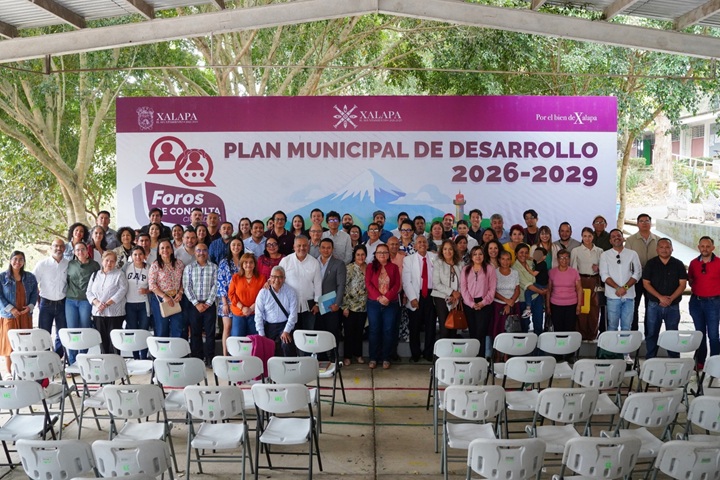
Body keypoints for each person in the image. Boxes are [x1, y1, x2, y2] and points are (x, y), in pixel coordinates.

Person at [642, 238, 687, 360]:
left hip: (673, 305)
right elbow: (646, 283)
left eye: (667, 247)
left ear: (672, 249)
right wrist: (660, 297)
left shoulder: (678, 264)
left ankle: (674, 359)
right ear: (657, 249)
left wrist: (670, 299)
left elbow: (683, 284)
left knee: (672, 334)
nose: (664, 250)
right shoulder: (651, 264)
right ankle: (650, 359)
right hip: (654, 305)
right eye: (661, 247)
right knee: (652, 333)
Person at [0, 251, 37, 376]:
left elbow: (34, 294)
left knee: (25, 344)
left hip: (25, 315)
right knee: (9, 345)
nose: (18, 262)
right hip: (9, 316)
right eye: (15, 259)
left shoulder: (30, 277)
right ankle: (10, 374)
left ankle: (23, 372)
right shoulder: (2, 277)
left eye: (21, 259)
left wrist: (30, 307)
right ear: (10, 260)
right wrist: (10, 309)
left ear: (24, 262)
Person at [599, 229, 642, 338]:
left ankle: (624, 348)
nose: (616, 238)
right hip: (612, 296)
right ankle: (612, 348)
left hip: (629, 296)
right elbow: (604, 275)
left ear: (623, 238)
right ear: (610, 241)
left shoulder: (632, 254)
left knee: (626, 327)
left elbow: (637, 273)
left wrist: (625, 288)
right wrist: (617, 288)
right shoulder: (605, 255)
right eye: (613, 236)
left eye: (618, 235)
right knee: (612, 326)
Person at [365, 243, 401, 369]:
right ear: (375, 254)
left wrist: (387, 297)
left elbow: (397, 285)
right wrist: (379, 297)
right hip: (374, 303)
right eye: (379, 252)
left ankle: (386, 357)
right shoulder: (370, 267)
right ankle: (373, 358)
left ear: (388, 254)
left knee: (388, 330)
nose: (382, 254)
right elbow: (368, 284)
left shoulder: (394, 267)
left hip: (390, 303)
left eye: (385, 252)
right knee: (374, 330)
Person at [86, 251, 128, 354]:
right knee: (102, 342)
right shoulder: (95, 275)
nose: (109, 263)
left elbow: (122, 291)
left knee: (114, 343)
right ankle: (105, 362)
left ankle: (115, 362)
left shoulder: (119, 274)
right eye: (107, 260)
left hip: (115, 314)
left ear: (115, 262)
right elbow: (89, 292)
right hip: (98, 313)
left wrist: (106, 304)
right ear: (102, 261)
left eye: (112, 261)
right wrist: (97, 303)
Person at [687, 236, 720, 370]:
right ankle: (700, 360)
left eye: (708, 246)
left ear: (713, 248)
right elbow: (690, 280)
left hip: (714, 303)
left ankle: (715, 363)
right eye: (702, 246)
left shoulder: (719, 262)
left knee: (713, 334)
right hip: (696, 302)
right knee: (699, 334)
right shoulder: (693, 263)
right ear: (698, 247)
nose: (705, 249)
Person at [403, 235, 437, 362]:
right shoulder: (408, 260)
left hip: (431, 295)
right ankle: (415, 354)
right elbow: (406, 281)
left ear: (427, 245)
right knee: (415, 326)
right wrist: (412, 298)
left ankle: (428, 353)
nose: (422, 244)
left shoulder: (435, 257)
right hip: (416, 295)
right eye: (419, 242)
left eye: (424, 242)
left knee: (431, 326)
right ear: (415, 246)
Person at [182, 243, 217, 365]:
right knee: (195, 333)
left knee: (210, 333)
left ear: (208, 252)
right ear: (194, 253)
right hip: (194, 306)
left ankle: (210, 359)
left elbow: (216, 286)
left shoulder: (214, 267)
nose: (201, 253)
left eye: (204, 250)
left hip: (209, 305)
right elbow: (187, 287)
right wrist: (196, 303)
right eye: (198, 250)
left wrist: (208, 303)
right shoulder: (189, 268)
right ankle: (197, 359)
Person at [65, 243, 100, 364]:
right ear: (74, 252)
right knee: (72, 330)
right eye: (77, 250)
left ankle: (83, 358)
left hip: (86, 300)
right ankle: (72, 360)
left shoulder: (94, 265)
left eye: (82, 249)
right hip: (70, 300)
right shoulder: (70, 264)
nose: (80, 252)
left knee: (85, 328)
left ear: (87, 251)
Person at [33, 238, 69, 356]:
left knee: (62, 334)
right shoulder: (42, 264)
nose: (59, 248)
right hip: (46, 304)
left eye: (61, 246)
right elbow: (33, 283)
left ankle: (58, 358)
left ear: (64, 248)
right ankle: (46, 358)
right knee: (44, 334)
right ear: (51, 248)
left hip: (62, 304)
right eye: (56, 246)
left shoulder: (68, 264)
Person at [624, 213, 659, 332]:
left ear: (651, 223)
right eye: (641, 221)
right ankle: (634, 332)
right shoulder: (630, 240)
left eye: (647, 221)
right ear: (637, 224)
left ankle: (650, 333)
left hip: (653, 279)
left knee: (651, 307)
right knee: (634, 306)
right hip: (635, 279)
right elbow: (626, 260)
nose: (644, 223)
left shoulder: (658, 240)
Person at [279, 235, 321, 331]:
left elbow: (318, 284)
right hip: (289, 304)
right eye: (299, 245)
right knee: (291, 333)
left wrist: (317, 304)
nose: (302, 248)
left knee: (308, 332)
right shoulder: (285, 261)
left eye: (304, 245)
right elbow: (277, 279)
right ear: (294, 247)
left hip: (309, 305)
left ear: (308, 246)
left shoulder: (314, 262)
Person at [460, 246, 496, 360]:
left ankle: (481, 358)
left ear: (484, 256)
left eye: (480, 254)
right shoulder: (465, 269)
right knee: (473, 331)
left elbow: (492, 289)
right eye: (475, 254)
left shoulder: (490, 269)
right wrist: (471, 303)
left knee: (481, 331)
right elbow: (463, 288)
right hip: (469, 304)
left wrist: (483, 303)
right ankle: (473, 357)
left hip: (485, 304)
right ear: (471, 256)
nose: (478, 256)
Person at [254, 266, 298, 356]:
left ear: (284, 278)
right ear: (270, 277)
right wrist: (262, 334)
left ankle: (290, 365)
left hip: (284, 325)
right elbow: (258, 315)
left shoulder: (290, 292)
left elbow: (293, 315)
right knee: (266, 350)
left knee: (286, 344)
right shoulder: (263, 293)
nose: (277, 280)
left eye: (280, 277)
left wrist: (286, 331)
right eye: (274, 277)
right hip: (269, 327)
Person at [570, 227, 603, 341]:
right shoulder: (576, 250)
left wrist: (599, 268)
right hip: (581, 281)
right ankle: (582, 334)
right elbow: (573, 269)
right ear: (581, 237)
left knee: (594, 309)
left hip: (595, 281)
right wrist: (576, 285)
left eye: (589, 236)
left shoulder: (599, 251)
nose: (587, 238)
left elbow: (605, 268)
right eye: (585, 236)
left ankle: (592, 334)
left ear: (593, 237)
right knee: (582, 308)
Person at [148, 238, 185, 338]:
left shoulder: (179, 264)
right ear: (159, 251)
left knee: (177, 327)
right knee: (161, 328)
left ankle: (176, 348)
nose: (165, 250)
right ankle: (161, 348)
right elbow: (152, 285)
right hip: (160, 299)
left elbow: (184, 280)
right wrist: (165, 297)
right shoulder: (155, 265)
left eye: (168, 247)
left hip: (176, 298)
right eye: (162, 248)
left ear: (172, 250)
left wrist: (180, 292)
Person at [317, 238, 346, 352]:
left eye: (328, 248)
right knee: (319, 332)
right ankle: (321, 357)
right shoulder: (314, 262)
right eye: (323, 247)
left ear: (332, 249)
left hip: (331, 305)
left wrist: (337, 304)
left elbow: (341, 285)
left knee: (332, 332)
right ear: (319, 249)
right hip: (316, 305)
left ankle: (333, 357)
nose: (326, 250)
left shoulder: (339, 264)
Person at [217, 238, 245, 354]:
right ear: (229, 246)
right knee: (227, 327)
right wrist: (224, 303)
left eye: (239, 245)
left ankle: (237, 354)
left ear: (242, 247)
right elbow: (221, 282)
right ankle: (225, 355)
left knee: (238, 329)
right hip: (227, 301)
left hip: (242, 300)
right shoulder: (224, 262)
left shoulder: (245, 260)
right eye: (233, 245)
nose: (236, 247)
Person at [228, 252, 265, 337]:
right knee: (237, 337)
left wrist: (251, 309)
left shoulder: (261, 278)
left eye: (251, 262)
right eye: (245, 262)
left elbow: (263, 297)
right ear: (242, 264)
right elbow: (231, 294)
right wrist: (242, 308)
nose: (248, 265)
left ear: (255, 264)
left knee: (255, 339)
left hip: (255, 313)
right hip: (239, 312)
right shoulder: (236, 277)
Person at [342, 245, 368, 365]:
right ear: (354, 256)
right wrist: (345, 307)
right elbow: (344, 288)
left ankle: (358, 355)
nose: (360, 257)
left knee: (359, 332)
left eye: (362, 254)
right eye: (358, 255)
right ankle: (347, 356)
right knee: (348, 332)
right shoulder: (349, 268)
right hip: (350, 306)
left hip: (364, 306)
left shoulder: (369, 268)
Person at [123, 246, 151, 359]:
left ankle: (143, 357)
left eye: (140, 254)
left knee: (143, 331)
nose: (138, 257)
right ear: (131, 256)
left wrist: (147, 290)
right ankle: (135, 357)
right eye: (135, 254)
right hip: (129, 304)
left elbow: (154, 285)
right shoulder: (126, 267)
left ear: (144, 256)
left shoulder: (149, 268)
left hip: (144, 304)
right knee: (133, 331)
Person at [432, 239, 463, 339]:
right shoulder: (438, 263)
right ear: (442, 251)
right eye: (445, 249)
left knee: (454, 326)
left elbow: (464, 282)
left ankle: (452, 348)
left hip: (456, 298)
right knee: (445, 327)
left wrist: (457, 294)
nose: (447, 251)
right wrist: (451, 292)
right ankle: (442, 349)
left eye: (450, 249)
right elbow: (436, 283)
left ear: (454, 250)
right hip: (441, 297)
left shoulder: (460, 264)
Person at [546, 249, 583, 334]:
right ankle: (560, 343)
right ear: (558, 259)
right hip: (556, 305)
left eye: (566, 258)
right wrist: (548, 306)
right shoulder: (552, 272)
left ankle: (570, 343)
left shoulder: (574, 272)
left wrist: (579, 305)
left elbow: (579, 289)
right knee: (558, 328)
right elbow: (549, 290)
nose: (564, 260)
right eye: (562, 258)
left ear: (569, 259)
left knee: (570, 328)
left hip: (571, 305)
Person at [513, 243, 546, 335]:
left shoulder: (531, 263)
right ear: (516, 253)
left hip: (537, 297)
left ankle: (538, 342)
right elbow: (527, 285)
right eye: (521, 252)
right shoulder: (514, 268)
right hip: (524, 299)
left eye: (526, 252)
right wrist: (542, 291)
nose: (524, 255)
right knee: (524, 325)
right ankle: (525, 344)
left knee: (539, 324)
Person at [492, 250, 520, 339]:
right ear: (499, 260)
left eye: (508, 259)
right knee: (498, 330)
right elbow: (493, 291)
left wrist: (510, 303)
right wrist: (506, 300)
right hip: (498, 305)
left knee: (512, 330)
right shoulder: (494, 272)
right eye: (503, 259)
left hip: (513, 304)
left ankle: (510, 348)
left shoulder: (515, 273)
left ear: (511, 260)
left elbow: (517, 290)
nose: (505, 262)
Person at [520, 246, 548, 321]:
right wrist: (528, 258)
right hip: (539, 283)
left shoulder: (542, 264)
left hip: (541, 284)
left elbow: (534, 274)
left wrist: (527, 268)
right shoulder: (536, 261)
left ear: (544, 257)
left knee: (528, 292)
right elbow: (532, 259)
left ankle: (528, 309)